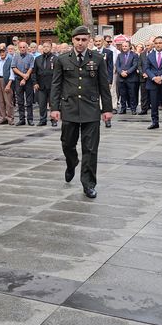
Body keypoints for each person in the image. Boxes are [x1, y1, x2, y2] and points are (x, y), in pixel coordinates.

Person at [50, 25, 113, 199]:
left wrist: (107, 109)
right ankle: (71, 163)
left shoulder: (98, 59)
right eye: (77, 39)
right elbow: (56, 85)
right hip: (69, 109)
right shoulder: (62, 60)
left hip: (91, 110)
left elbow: (103, 86)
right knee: (67, 144)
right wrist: (54, 108)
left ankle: (89, 184)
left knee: (91, 149)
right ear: (72, 40)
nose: (80, 43)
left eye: (84, 40)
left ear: (89, 41)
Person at [11, 41, 35, 126]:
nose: (22, 49)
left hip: (28, 80)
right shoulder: (16, 57)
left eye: (24, 47)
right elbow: (14, 67)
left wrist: (25, 77)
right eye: (20, 47)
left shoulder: (31, 57)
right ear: (18, 48)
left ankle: (30, 119)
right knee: (20, 100)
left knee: (29, 101)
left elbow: (31, 68)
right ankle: (22, 119)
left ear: (27, 48)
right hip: (18, 79)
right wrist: (22, 75)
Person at [34, 41, 57, 126]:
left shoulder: (55, 58)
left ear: (51, 48)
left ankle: (53, 120)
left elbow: (57, 73)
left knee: (53, 104)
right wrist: (35, 83)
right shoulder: (38, 59)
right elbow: (34, 72)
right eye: (44, 46)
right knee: (42, 104)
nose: (45, 48)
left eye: (47, 46)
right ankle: (42, 120)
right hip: (41, 85)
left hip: (52, 85)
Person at [115, 40, 140, 115]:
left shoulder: (134, 55)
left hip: (131, 78)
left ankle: (133, 109)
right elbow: (117, 65)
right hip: (121, 78)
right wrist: (121, 72)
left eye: (126, 46)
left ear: (129, 47)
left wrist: (127, 72)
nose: (124, 47)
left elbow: (135, 65)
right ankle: (123, 109)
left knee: (132, 94)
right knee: (122, 94)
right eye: (123, 46)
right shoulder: (119, 55)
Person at [0, 46, 14, 125]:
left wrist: (9, 84)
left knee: (8, 101)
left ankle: (10, 118)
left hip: (7, 81)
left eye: (3, 52)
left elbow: (12, 73)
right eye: (0, 52)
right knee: (0, 101)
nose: (2, 53)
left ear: (6, 52)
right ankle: (3, 117)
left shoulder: (10, 61)